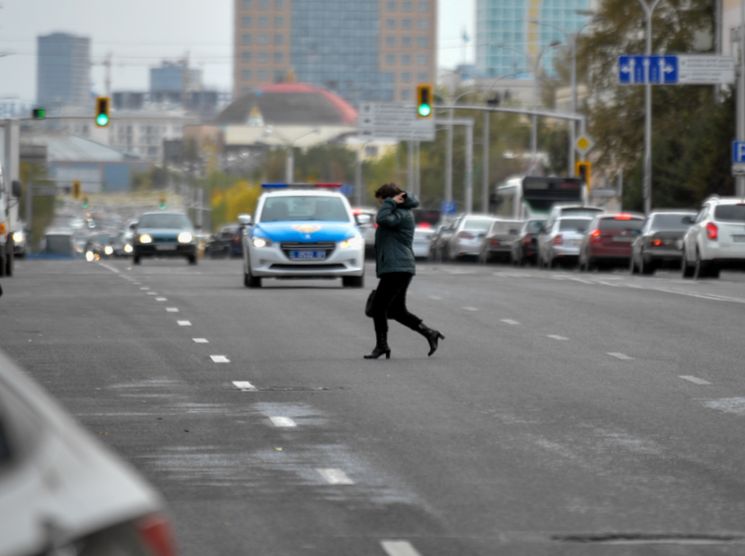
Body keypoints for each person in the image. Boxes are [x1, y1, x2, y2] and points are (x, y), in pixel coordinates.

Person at [364, 183, 444, 360]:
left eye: (383, 201)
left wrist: (389, 203)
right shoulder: (398, 211)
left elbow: (382, 220)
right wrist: (390, 203)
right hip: (397, 267)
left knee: (378, 308)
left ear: (393, 199)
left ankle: (382, 346)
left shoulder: (400, 214)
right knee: (397, 310)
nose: (381, 206)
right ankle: (430, 333)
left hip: (397, 267)